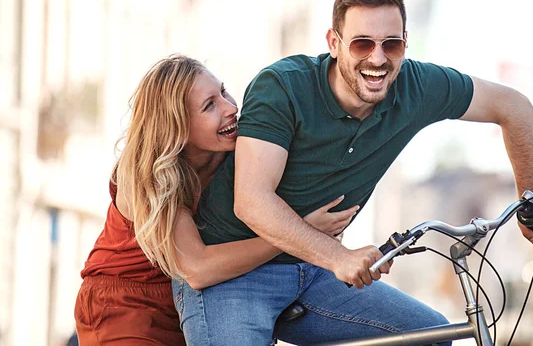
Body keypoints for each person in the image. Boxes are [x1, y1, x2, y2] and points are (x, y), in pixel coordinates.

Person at [175, 0, 533, 345]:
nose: (377, 59)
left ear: (405, 45)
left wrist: (530, 206)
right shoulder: (283, 86)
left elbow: (514, 107)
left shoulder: (417, 86)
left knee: (432, 336)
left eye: (391, 45)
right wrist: (337, 256)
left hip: (314, 275)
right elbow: (252, 201)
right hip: (230, 276)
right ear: (334, 42)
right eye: (362, 44)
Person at [73, 55, 357, 345]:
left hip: (192, 299)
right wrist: (297, 235)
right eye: (209, 105)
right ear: (177, 126)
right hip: (125, 303)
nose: (231, 108)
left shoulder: (234, 153)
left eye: (223, 92)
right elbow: (197, 267)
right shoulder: (148, 175)